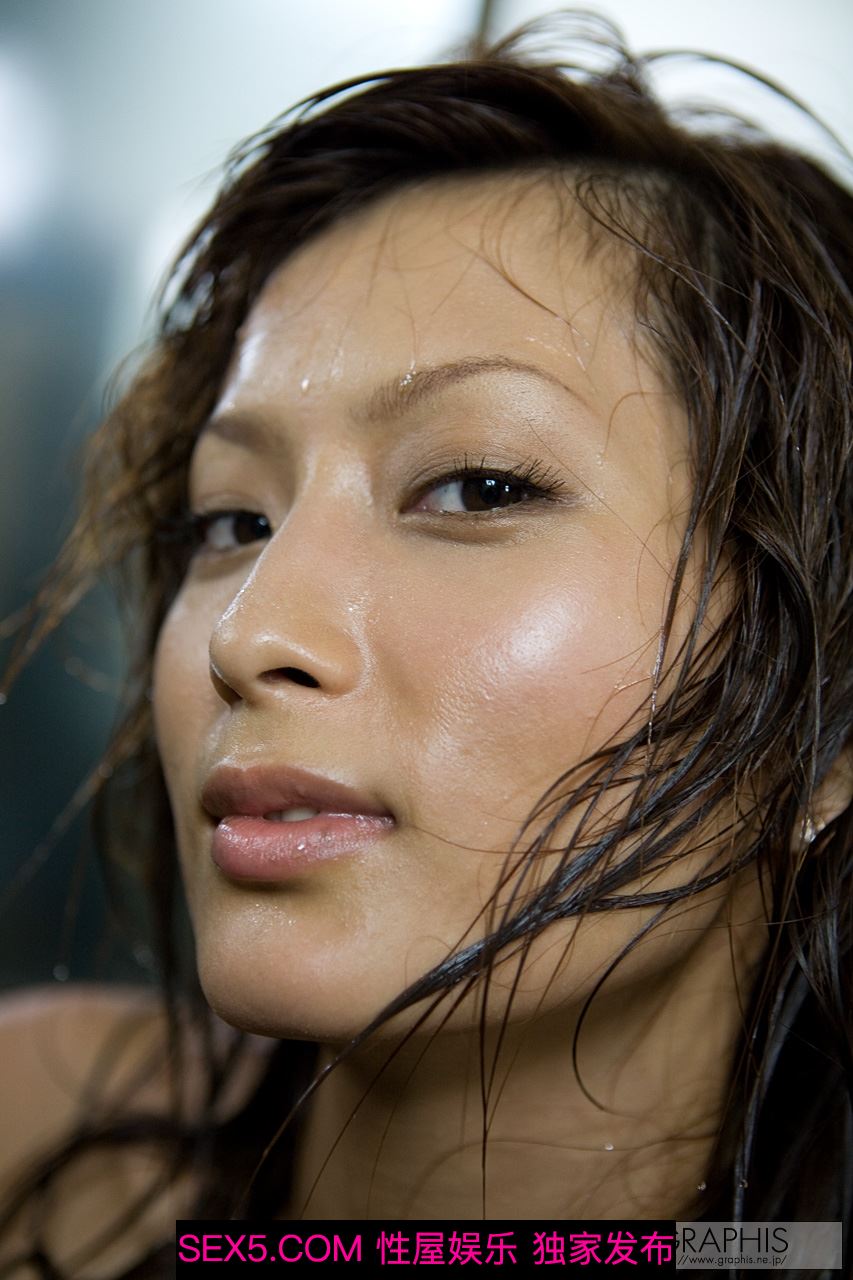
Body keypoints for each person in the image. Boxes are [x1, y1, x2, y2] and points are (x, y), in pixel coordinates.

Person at [1, 12, 851, 1277]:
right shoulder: (29, 1137)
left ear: (831, 728)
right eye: (231, 520)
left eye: (478, 487)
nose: (249, 631)